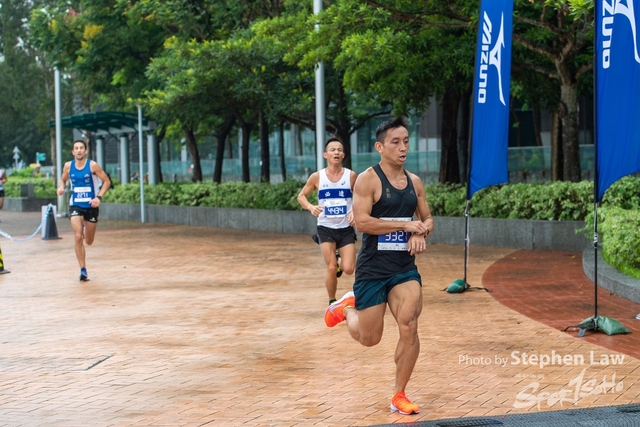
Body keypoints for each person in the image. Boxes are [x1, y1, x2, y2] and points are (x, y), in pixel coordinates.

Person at [324, 117, 434, 415]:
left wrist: (421, 232)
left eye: (406, 141)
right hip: (373, 269)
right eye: (395, 142)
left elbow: (427, 218)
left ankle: (399, 393)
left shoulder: (414, 182)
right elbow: (361, 222)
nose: (403, 147)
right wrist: (406, 226)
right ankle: (346, 309)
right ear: (380, 147)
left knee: (409, 324)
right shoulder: (368, 180)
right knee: (370, 338)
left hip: (404, 269)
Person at [297, 137, 357, 305]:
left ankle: (339, 260)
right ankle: (332, 301)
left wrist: (354, 211)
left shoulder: (351, 176)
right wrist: (310, 207)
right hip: (325, 227)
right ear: (325, 154)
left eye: (339, 150)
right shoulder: (317, 177)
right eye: (332, 150)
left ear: (343, 154)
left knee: (349, 268)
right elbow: (301, 196)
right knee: (330, 267)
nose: (336, 152)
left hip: (345, 227)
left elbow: (362, 196)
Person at [57, 139, 111, 281]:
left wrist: (98, 197)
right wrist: (61, 188)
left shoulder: (92, 165)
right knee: (77, 236)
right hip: (75, 205)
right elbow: (63, 180)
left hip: (91, 206)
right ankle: (83, 270)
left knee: (89, 240)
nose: (79, 150)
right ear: (73, 152)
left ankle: (86, 229)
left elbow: (107, 181)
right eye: (76, 148)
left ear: (85, 151)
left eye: (81, 148)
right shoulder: (68, 166)